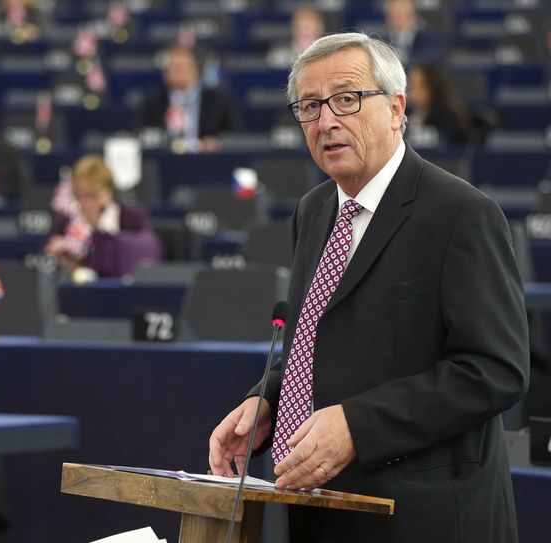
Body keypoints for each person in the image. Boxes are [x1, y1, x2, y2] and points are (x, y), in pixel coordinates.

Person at [208, 32, 528, 542]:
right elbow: (310, 340)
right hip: (319, 510)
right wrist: (266, 400)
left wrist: (359, 425)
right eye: (309, 106)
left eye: (347, 99)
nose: (326, 120)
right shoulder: (313, 211)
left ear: (397, 109)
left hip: (426, 518)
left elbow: (494, 370)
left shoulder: (461, 214)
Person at [44, 155, 161, 278]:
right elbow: (48, 263)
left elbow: (148, 250)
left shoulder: (132, 218)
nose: (87, 202)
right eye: (81, 195)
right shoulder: (65, 223)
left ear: (109, 191)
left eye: (93, 195)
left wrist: (103, 241)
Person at [139, 45, 236, 152]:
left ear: (195, 69)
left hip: (205, 162)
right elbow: (140, 135)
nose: (173, 72)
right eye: (169, 68)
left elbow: (235, 137)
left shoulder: (217, 101)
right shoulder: (153, 102)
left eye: (179, 68)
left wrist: (217, 143)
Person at [407, 63, 471, 144]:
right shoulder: (408, 114)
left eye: (414, 86)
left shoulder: (448, 117)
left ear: (431, 89)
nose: (410, 91)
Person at [384, 0, 442, 65]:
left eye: (401, 12)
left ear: (411, 14)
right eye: (394, 12)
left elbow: (428, 63)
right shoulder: (381, 40)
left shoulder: (427, 38)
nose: (397, 15)